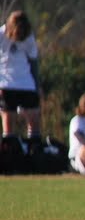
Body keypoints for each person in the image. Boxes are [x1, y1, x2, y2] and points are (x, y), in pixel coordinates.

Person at [0, 10, 43, 150]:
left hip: (26, 84)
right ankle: (10, 153)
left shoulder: (28, 37)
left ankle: (34, 153)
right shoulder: (1, 35)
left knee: (33, 120)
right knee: (8, 122)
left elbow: (33, 62)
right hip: (6, 85)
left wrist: (37, 86)